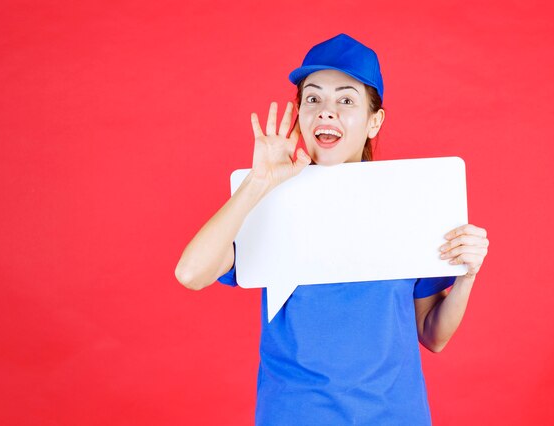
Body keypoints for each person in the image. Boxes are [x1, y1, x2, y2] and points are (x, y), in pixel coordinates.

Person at [175, 33, 489, 426]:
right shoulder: (268, 204)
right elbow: (191, 273)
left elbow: (433, 335)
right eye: (313, 98)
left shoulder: (408, 202)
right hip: (292, 415)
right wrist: (257, 184)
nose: (326, 111)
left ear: (375, 121)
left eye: (345, 100)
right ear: (300, 115)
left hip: (393, 416)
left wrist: (466, 277)